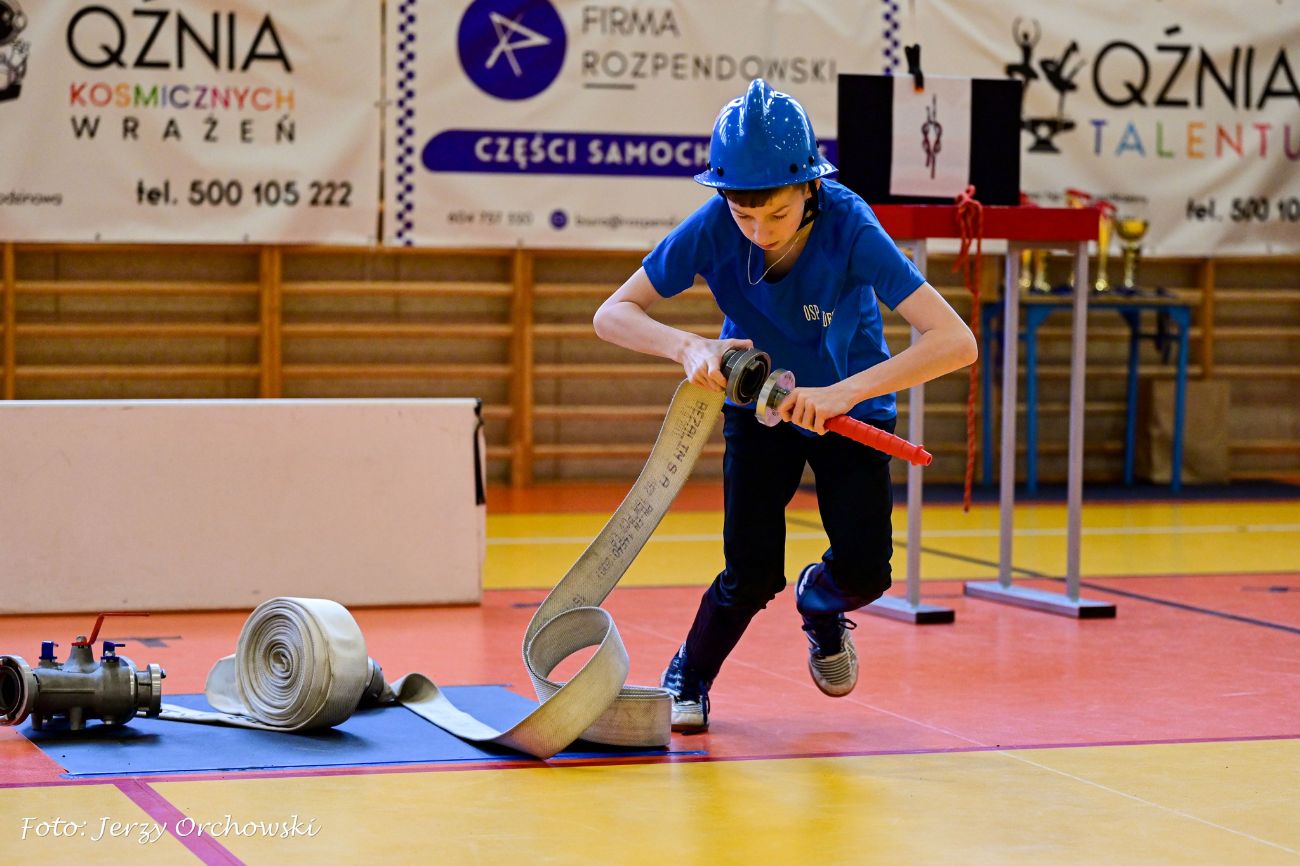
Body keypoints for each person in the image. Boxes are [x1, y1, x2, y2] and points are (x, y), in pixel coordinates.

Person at [593, 78, 977, 732]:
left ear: (810, 188)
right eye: (745, 216)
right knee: (749, 569)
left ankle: (822, 605)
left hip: (850, 406)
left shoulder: (852, 226)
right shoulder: (716, 226)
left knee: (866, 570)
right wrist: (687, 347)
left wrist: (843, 393)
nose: (760, 232)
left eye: (776, 214)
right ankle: (689, 672)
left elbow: (955, 341)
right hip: (757, 406)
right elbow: (613, 313)